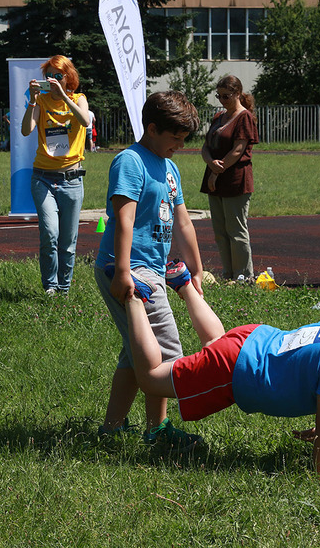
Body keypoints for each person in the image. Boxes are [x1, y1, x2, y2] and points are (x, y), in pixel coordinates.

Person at [126, 265, 320, 486]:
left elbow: (309, 365)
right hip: (238, 367)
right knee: (150, 378)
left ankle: (184, 284)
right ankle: (135, 297)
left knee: (215, 341)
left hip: (252, 337)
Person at [93, 91, 205, 452]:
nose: (179, 146)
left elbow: (183, 222)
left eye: (184, 140)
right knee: (166, 351)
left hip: (151, 268)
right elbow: (122, 218)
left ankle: (111, 429)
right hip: (130, 270)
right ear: (152, 129)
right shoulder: (130, 161)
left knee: (134, 351)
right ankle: (157, 430)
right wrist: (123, 272)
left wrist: (197, 268)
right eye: (175, 138)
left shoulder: (170, 167)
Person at [21, 55, 91, 296]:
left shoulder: (79, 99)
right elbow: (26, 130)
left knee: (68, 242)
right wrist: (32, 101)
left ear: (68, 77)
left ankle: (64, 288)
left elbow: (84, 121)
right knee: (49, 234)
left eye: (58, 75)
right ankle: (50, 287)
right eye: (49, 75)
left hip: (71, 179)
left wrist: (64, 98)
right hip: (43, 177)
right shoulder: (40, 101)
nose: (53, 79)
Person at [200, 75, 260, 283]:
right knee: (220, 231)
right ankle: (228, 275)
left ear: (237, 94)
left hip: (235, 179)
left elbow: (238, 150)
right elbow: (206, 146)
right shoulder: (218, 118)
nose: (222, 100)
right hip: (214, 178)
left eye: (226, 96)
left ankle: (244, 276)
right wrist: (209, 163)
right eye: (219, 96)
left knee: (236, 230)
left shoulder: (244, 117)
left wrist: (217, 170)